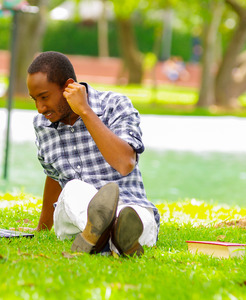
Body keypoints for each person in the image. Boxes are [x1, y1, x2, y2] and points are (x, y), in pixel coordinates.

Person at [26, 51, 160, 257]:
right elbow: (54, 176)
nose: (40, 108)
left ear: (69, 86)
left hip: (130, 207)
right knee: (72, 188)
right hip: (74, 219)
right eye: (35, 99)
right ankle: (114, 239)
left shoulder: (115, 106)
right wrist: (41, 229)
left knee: (136, 219)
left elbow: (125, 163)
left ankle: (101, 239)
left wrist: (85, 112)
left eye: (44, 97)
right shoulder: (42, 125)